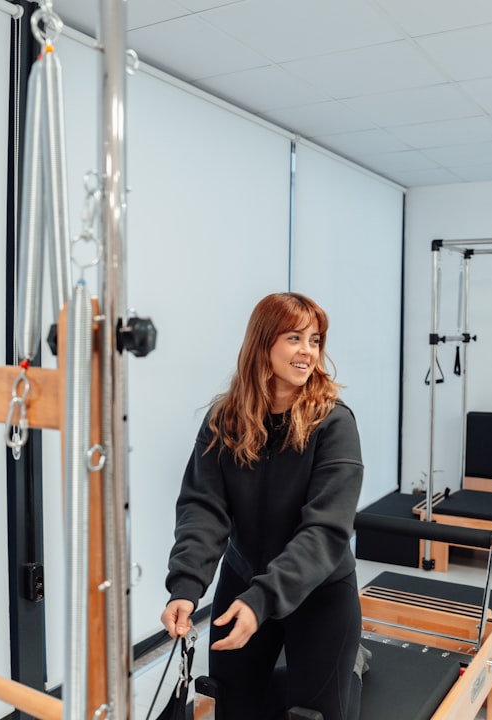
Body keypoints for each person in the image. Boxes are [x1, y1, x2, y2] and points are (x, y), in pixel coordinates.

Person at [161, 292, 364, 720]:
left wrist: (264, 598)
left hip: (319, 591)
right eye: (295, 338)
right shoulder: (224, 419)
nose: (308, 351)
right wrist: (186, 585)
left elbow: (325, 531)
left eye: (315, 340)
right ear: (263, 342)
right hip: (244, 578)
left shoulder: (334, 423)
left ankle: (356, 664)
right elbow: (203, 508)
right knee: (234, 707)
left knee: (316, 714)